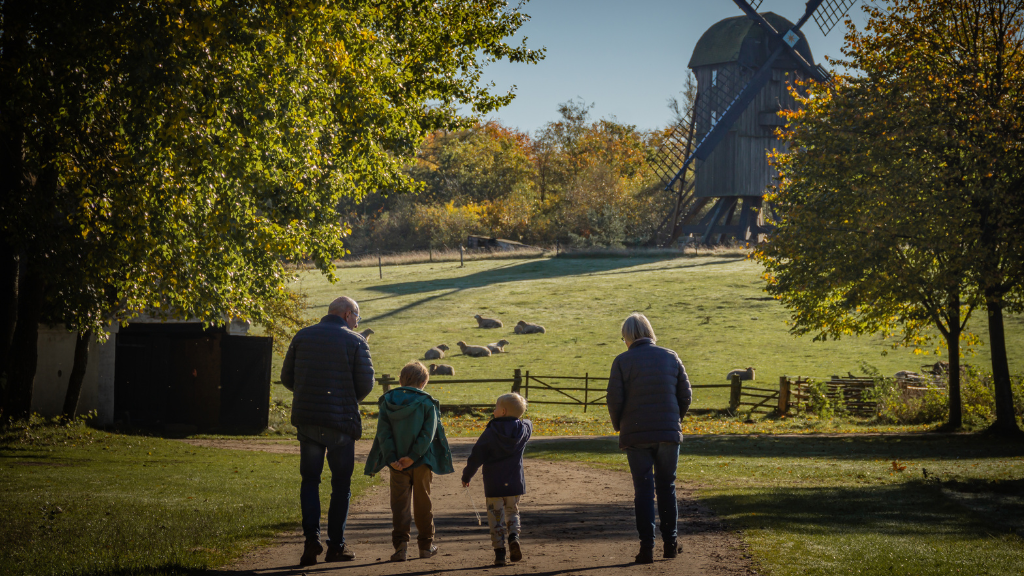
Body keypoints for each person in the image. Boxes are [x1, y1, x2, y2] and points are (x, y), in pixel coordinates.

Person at [281, 296, 374, 566]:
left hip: (308, 421)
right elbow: (365, 385)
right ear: (347, 314)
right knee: (340, 484)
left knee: (310, 481)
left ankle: (311, 540)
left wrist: (309, 395)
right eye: (357, 316)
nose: (358, 322)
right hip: (341, 423)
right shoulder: (356, 342)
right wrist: (344, 399)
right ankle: (336, 546)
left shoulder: (303, 336)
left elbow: (287, 378)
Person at [606, 312, 692, 564]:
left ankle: (646, 547)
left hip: (635, 433)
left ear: (627, 337)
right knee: (667, 487)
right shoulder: (670, 356)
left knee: (643, 491)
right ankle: (671, 543)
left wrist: (619, 425)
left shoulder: (622, 361)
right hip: (668, 432)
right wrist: (674, 420)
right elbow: (685, 395)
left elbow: (614, 398)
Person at [364, 361, 454, 562]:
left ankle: (401, 547)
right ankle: (426, 546)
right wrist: (414, 455)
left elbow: (383, 433)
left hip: (396, 464)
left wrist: (392, 458)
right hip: (421, 462)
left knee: (399, 505)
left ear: (400, 380)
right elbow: (428, 434)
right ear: (423, 382)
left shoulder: (387, 401)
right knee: (423, 503)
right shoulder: (427, 402)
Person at [461, 392, 533, 567]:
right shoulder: (524, 429)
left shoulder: (491, 432)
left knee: (495, 516)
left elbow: (477, 456)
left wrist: (467, 475)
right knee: (513, 512)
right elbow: (528, 422)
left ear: (502, 411)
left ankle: (499, 552)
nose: (493, 411)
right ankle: (514, 536)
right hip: (515, 481)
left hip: (494, 483)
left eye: (495, 408)